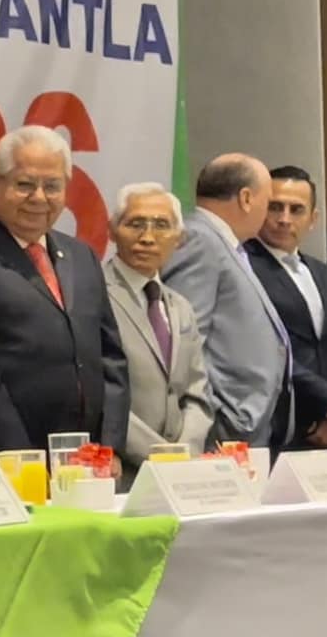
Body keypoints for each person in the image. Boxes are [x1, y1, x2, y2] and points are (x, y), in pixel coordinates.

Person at [0, 125, 128, 464]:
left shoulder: (82, 257)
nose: (40, 198)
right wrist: (23, 458)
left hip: (84, 462)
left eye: (52, 186)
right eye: (25, 185)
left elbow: (111, 358)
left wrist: (109, 447)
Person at [162, 154, 294, 447]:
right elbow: (186, 339)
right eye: (268, 202)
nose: (268, 213)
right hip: (223, 428)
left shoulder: (225, 243)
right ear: (246, 198)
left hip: (243, 425)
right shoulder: (199, 240)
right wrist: (218, 412)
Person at [103, 183, 213, 485]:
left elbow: (197, 391)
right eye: (135, 224)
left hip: (182, 475)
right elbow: (98, 392)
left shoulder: (181, 307)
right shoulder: (92, 295)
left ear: (179, 238)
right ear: (112, 230)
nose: (148, 237)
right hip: (123, 473)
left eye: (162, 225)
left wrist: (185, 453)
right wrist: (159, 456)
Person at [243, 166, 327, 451]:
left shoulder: (320, 270)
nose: (284, 219)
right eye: (275, 207)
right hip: (275, 424)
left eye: (296, 210)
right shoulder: (243, 267)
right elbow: (266, 350)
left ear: (313, 219)